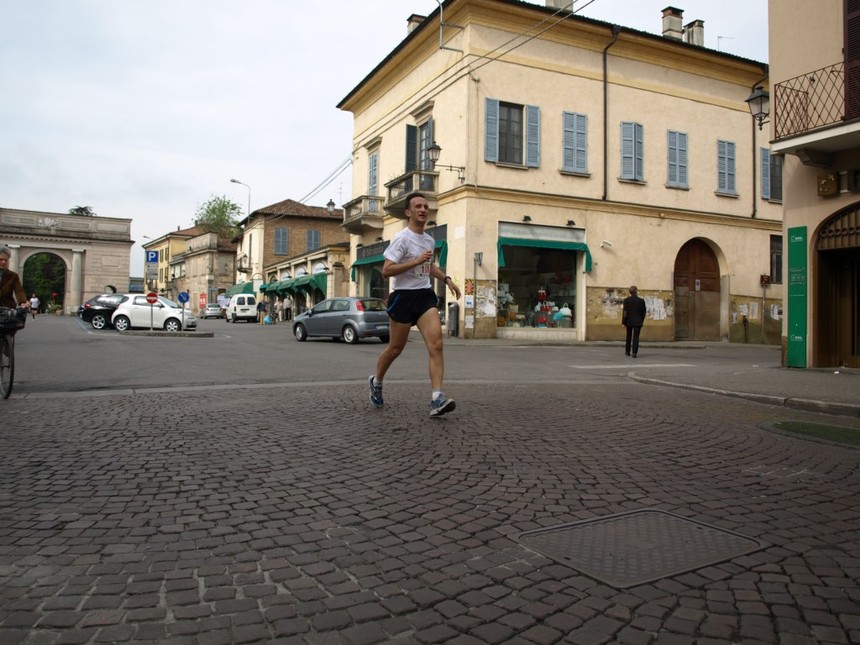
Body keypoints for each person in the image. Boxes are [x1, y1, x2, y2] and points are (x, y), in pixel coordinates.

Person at [369, 192, 461, 417]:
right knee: (395, 349)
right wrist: (415, 261)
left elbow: (428, 266)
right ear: (408, 212)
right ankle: (377, 381)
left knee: (436, 344)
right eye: (418, 206)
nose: (423, 210)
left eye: (425, 207)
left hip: (424, 296)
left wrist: (447, 279)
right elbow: (387, 271)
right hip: (403, 297)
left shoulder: (429, 240)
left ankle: (437, 397)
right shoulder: (402, 239)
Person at [621, 285, 647, 358]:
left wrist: (623, 322)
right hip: (638, 322)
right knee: (636, 337)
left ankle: (627, 351)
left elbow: (625, 312)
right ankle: (634, 353)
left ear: (630, 292)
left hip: (629, 321)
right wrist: (642, 320)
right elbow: (644, 312)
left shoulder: (626, 300)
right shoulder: (641, 301)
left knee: (628, 336)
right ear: (636, 291)